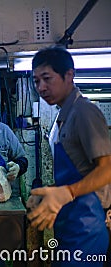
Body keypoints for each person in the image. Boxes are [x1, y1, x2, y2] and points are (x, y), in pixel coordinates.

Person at [27, 46, 111, 266]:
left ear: (69, 75)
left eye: (47, 78)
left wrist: (67, 192)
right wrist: (51, 194)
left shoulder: (84, 112)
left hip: (87, 227)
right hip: (69, 224)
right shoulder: (63, 117)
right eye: (36, 81)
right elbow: (78, 172)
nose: (41, 87)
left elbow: (107, 168)